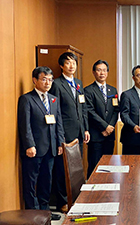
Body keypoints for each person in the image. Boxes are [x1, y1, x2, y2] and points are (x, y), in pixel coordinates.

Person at [18, 67, 64, 220]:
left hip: (51, 147)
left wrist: (60, 143)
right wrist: (29, 145)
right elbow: (25, 125)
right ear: (35, 80)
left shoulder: (53, 99)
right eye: (44, 79)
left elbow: (58, 123)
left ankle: (45, 213)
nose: (48, 82)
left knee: (46, 181)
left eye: (50, 79)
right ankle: (33, 214)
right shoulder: (27, 99)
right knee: (31, 182)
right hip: (35, 149)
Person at [49, 52, 90, 212]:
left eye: (74, 63)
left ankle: (76, 197)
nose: (72, 65)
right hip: (65, 133)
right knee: (62, 169)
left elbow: (83, 108)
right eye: (68, 63)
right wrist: (60, 135)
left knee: (76, 169)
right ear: (61, 66)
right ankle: (63, 201)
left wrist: (85, 128)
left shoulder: (78, 83)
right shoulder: (57, 84)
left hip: (79, 132)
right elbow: (56, 111)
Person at [84, 60, 119, 177]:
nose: (102, 73)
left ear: (107, 72)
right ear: (94, 72)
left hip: (110, 135)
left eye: (104, 70)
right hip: (96, 135)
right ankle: (92, 193)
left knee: (108, 165)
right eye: (99, 70)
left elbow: (115, 110)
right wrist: (104, 127)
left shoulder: (113, 90)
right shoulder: (88, 90)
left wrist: (111, 127)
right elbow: (90, 111)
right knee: (95, 165)